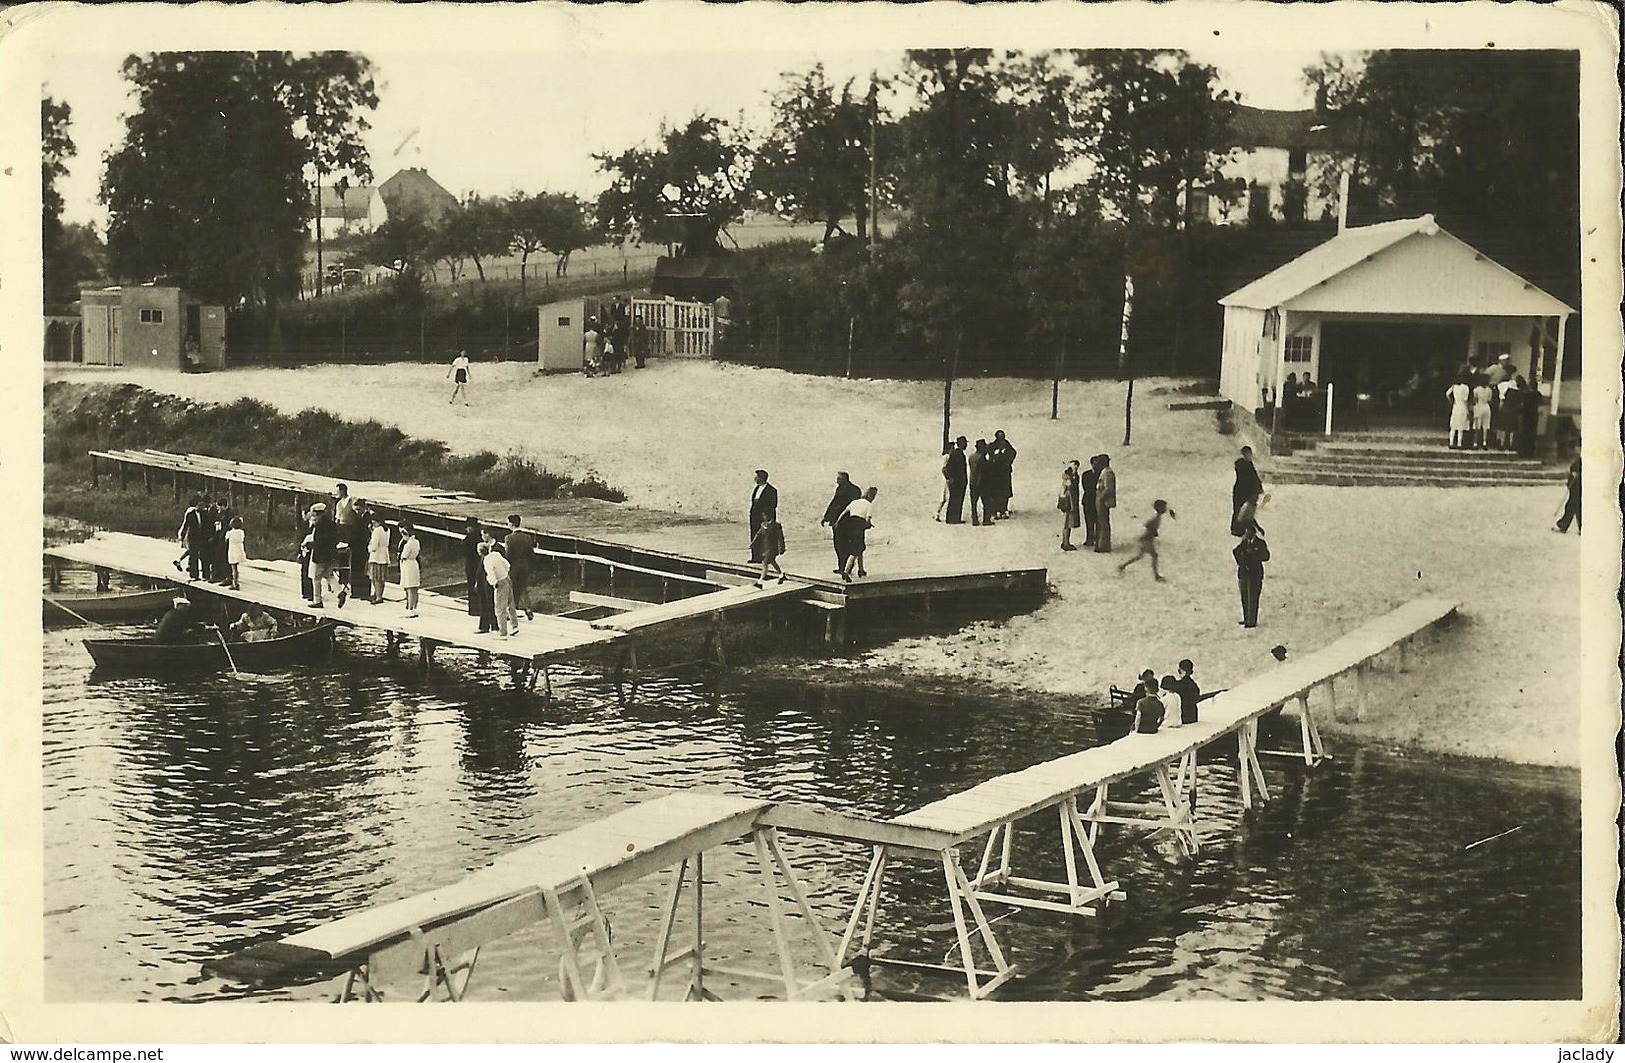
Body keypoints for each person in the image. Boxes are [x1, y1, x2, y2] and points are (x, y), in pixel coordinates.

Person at [1117, 499, 1173, 581]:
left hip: (1146, 540)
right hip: (1147, 540)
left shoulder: (1157, 518)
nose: (1165, 508)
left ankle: (1123, 566)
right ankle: (1156, 575)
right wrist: (1152, 532)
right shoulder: (1156, 518)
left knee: (1139, 556)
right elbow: (1149, 525)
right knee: (1154, 556)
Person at [820, 472, 863, 573]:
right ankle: (842, 567)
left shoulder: (854, 490)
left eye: (839, 479)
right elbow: (833, 502)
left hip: (848, 523)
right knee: (839, 545)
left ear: (845, 479)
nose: (837, 481)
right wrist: (826, 517)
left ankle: (846, 567)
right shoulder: (841, 489)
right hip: (838, 522)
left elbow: (853, 506)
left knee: (844, 545)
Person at [308, 502, 345, 608]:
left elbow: (318, 541)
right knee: (329, 574)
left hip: (320, 555)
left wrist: (311, 545)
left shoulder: (319, 525)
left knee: (316, 577)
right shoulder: (332, 524)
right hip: (332, 554)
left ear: (317, 514)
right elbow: (336, 539)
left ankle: (317, 600)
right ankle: (339, 592)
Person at [837, 487, 878, 583]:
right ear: (872, 496)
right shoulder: (869, 505)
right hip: (859, 525)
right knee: (858, 548)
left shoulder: (855, 502)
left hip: (850, 524)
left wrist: (837, 523)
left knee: (858, 547)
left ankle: (861, 570)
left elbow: (844, 513)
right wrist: (868, 525)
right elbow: (867, 519)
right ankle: (846, 571)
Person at [1233, 521, 1270, 628]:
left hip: (1255, 574)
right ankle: (1246, 618)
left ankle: (1252, 620)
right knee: (1245, 597)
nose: (1246, 534)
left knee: (1253, 598)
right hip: (1244, 573)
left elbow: (1266, 556)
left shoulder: (1260, 543)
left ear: (1253, 533)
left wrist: (1254, 553)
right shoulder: (1244, 543)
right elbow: (1236, 552)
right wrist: (1241, 559)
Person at [505, 514, 536, 620]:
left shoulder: (509, 538)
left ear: (512, 524)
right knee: (523, 588)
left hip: (513, 568)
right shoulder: (527, 538)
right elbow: (531, 554)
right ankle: (528, 608)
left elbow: (508, 555)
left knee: (511, 589)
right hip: (524, 566)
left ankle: (511, 612)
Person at [462, 518, 491, 629]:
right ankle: (479, 608)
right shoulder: (479, 538)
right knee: (480, 586)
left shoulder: (468, 539)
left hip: (471, 565)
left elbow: (464, 550)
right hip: (479, 564)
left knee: (472, 586)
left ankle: (473, 609)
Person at [484, 541, 517, 637]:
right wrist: (505, 573)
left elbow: (491, 574)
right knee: (511, 603)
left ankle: (503, 632)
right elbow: (507, 564)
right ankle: (514, 625)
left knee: (500, 608)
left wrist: (494, 583)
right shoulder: (496, 554)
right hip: (507, 578)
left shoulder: (487, 561)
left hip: (500, 583)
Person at [1231, 446, 1264, 536]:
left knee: (1247, 511)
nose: (1250, 456)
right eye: (1248, 454)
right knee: (1238, 510)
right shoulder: (1242, 465)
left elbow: (1254, 477)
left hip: (1247, 491)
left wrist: (1258, 486)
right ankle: (1237, 529)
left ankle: (1243, 528)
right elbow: (1248, 478)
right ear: (1244, 454)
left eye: (1250, 454)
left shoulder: (1249, 464)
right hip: (1241, 490)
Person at [749, 511, 787, 587]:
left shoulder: (776, 526)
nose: (764, 517)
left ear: (769, 516)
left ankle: (760, 582)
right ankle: (781, 575)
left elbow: (780, 538)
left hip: (772, 548)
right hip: (765, 547)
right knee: (772, 562)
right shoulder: (763, 525)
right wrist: (753, 543)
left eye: (765, 515)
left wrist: (781, 548)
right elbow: (758, 535)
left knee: (765, 564)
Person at [749, 470, 778, 562]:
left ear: (761, 478)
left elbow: (772, 504)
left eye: (757, 476)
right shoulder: (757, 488)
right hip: (755, 516)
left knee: (766, 537)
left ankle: (767, 557)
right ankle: (755, 557)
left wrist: (766, 516)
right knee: (755, 535)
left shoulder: (771, 490)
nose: (755, 478)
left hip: (765, 517)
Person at [987, 430, 1017, 519]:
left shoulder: (1007, 445)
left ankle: (1003, 508)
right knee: (996, 492)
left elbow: (1013, 453)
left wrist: (1008, 462)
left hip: (1004, 473)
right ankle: (995, 509)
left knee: (1005, 492)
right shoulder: (993, 446)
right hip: (995, 473)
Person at [176, 495, 204, 580]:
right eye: (199, 504)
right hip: (192, 537)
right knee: (193, 555)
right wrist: (182, 536)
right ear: (196, 504)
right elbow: (186, 525)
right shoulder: (190, 514)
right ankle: (194, 575)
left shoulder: (204, 513)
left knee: (200, 554)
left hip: (201, 537)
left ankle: (200, 572)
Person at [398, 522, 422, 618]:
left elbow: (404, 556)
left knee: (409, 588)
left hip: (408, 564)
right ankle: (415, 608)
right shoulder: (416, 542)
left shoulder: (408, 544)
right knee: (415, 588)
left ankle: (410, 609)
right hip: (414, 563)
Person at [942, 437, 969, 524]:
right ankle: (954, 518)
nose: (966, 445)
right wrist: (950, 478)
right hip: (958, 481)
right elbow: (948, 468)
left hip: (957, 481)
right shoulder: (958, 454)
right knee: (956, 499)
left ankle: (952, 518)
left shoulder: (956, 453)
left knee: (955, 499)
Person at [366, 515, 391, 604]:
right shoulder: (387, 530)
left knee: (375, 578)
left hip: (376, 556)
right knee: (381, 578)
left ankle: (378, 596)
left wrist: (369, 547)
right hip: (384, 555)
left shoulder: (377, 531)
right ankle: (378, 594)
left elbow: (374, 547)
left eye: (374, 523)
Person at [1093, 455, 1116, 553]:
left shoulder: (1107, 472)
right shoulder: (1106, 472)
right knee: (1102, 522)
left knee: (1103, 523)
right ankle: (1102, 544)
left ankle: (1103, 545)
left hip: (1103, 501)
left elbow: (1108, 488)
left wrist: (1101, 497)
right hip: (1103, 500)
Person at [1169, 659, 1201, 726]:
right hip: (1193, 715)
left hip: (1183, 716)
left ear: (1181, 670)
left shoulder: (1178, 685)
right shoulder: (1194, 685)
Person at [1554, 455, 1581, 534]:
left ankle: (1564, 525)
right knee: (1573, 506)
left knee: (1574, 506)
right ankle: (1563, 525)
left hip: (1579, 485)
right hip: (1577, 485)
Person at [1079, 455, 1102, 548]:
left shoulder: (1101, 474)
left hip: (1096, 500)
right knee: (1089, 520)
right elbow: (1086, 487)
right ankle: (1090, 538)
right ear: (1091, 464)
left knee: (1097, 520)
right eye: (1094, 463)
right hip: (1088, 500)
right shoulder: (1086, 474)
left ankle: (1097, 538)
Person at [1058, 460, 1081, 551]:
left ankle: (1066, 541)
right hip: (1068, 502)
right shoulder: (1069, 476)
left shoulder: (1070, 476)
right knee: (1067, 523)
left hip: (1068, 501)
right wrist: (1072, 505)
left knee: (1068, 523)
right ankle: (1065, 542)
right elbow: (1070, 489)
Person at [213, 497, 236, 586]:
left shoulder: (230, 515)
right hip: (221, 538)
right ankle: (220, 575)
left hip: (227, 539)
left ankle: (228, 577)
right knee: (220, 557)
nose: (218, 509)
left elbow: (228, 527)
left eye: (219, 507)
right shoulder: (222, 514)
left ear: (223, 506)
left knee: (227, 559)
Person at [1445, 377, 1472, 449]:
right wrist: (1468, 410)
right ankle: (1459, 443)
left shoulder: (1454, 386)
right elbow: (1465, 400)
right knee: (1461, 427)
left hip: (1456, 406)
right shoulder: (1465, 387)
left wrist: (1451, 401)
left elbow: (1447, 394)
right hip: (1463, 407)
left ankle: (1451, 442)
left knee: (1453, 426)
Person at [968, 440, 990, 526]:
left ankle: (975, 519)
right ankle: (986, 520)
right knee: (986, 502)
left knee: (974, 503)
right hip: (982, 483)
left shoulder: (971, 457)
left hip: (972, 482)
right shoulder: (982, 458)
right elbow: (984, 471)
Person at [1470, 377, 1494, 450]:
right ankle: (1484, 442)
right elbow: (1490, 400)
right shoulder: (1489, 390)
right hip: (1486, 407)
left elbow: (1475, 400)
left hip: (1479, 406)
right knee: (1485, 427)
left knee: (1477, 426)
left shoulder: (1476, 390)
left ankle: (1475, 443)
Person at [225, 515, 247, 591]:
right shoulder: (241, 532)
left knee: (233, 568)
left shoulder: (230, 533)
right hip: (239, 549)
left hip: (233, 549)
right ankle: (235, 582)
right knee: (236, 568)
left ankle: (235, 583)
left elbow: (226, 539)